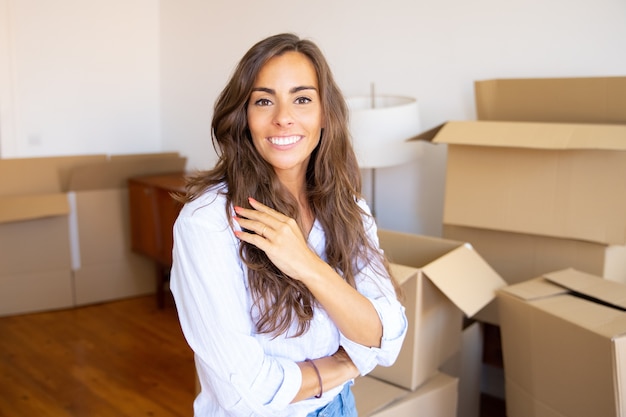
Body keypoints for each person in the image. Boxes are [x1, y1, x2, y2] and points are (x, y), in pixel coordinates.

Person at [170, 33, 407, 417]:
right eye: (264, 100)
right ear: (243, 117)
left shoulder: (349, 209)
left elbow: (388, 335)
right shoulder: (208, 222)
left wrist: (308, 265)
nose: (283, 117)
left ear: (324, 114)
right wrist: (346, 365)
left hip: (341, 407)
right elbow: (245, 391)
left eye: (302, 99)